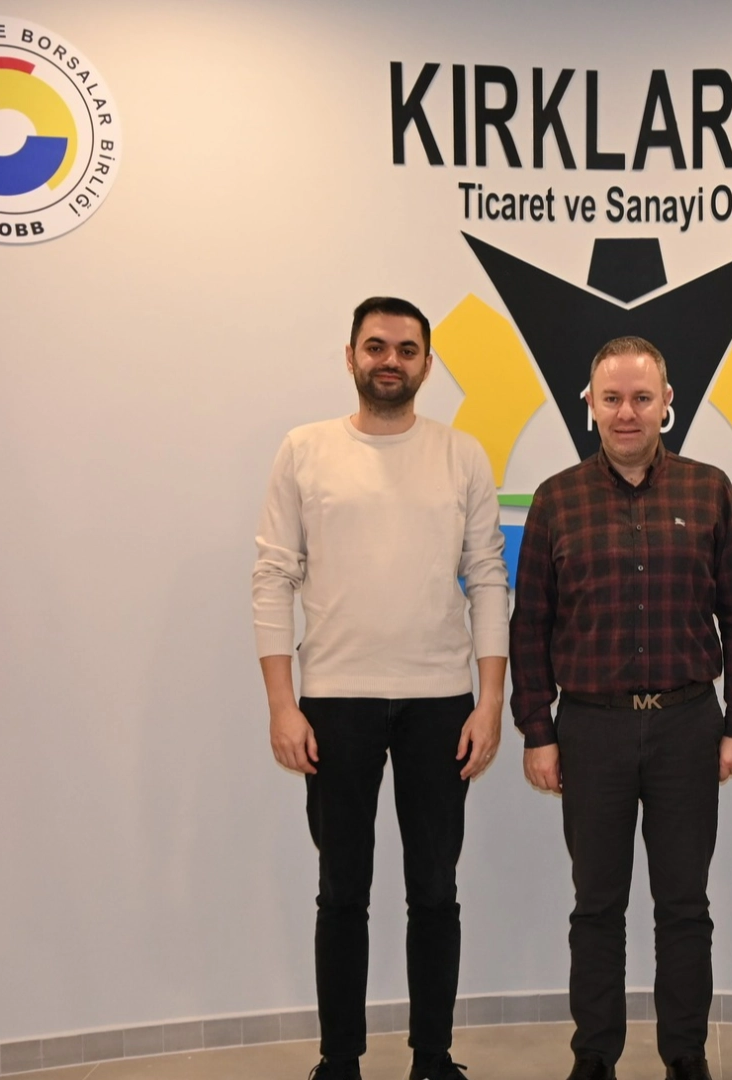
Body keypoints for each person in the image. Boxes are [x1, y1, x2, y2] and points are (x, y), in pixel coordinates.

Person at [251, 296, 508, 1080]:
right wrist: (283, 704)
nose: (389, 361)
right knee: (342, 892)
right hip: (335, 701)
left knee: (435, 889)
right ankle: (340, 1062)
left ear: (426, 363)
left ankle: (433, 1058)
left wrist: (490, 701)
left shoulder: (461, 455)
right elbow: (272, 576)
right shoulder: (305, 450)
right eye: (375, 346)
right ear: (351, 356)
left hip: (441, 701)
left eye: (405, 349)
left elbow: (488, 579)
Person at [509, 336, 732, 1080]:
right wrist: (537, 731)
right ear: (589, 405)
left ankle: (685, 1054)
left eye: (642, 398)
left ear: (666, 403)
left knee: (684, 906)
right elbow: (532, 625)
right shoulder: (556, 499)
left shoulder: (709, 490)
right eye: (613, 398)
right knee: (596, 906)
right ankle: (595, 1055)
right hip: (591, 729)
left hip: (689, 724)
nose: (628, 412)